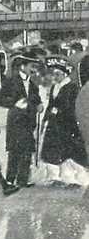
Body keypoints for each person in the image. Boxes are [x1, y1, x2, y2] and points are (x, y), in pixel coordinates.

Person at [38, 57, 88, 187]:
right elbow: (51, 104)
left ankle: (76, 178)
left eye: (58, 74)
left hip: (67, 124)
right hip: (54, 123)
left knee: (69, 150)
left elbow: (71, 106)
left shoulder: (71, 87)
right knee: (52, 150)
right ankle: (54, 176)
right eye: (54, 74)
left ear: (65, 74)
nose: (55, 76)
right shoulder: (55, 87)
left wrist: (58, 111)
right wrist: (46, 118)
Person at [0, 54, 41, 188]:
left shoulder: (32, 83)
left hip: (28, 120)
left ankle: (23, 179)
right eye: (31, 66)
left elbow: (35, 97)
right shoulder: (11, 81)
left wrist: (39, 104)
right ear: (23, 67)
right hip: (16, 120)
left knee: (27, 149)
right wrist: (14, 104)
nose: (33, 69)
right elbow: (0, 99)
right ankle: (10, 179)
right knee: (15, 150)